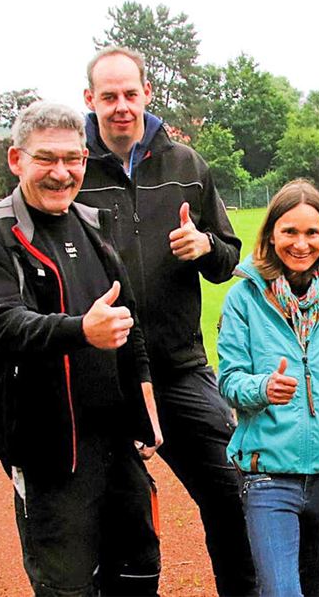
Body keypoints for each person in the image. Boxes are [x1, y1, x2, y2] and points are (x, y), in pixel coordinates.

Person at [76, 46, 254, 595]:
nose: (122, 106)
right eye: (109, 97)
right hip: (99, 376)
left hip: (180, 368)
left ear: (147, 93)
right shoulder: (73, 170)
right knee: (112, 516)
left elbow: (229, 258)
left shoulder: (186, 166)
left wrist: (203, 246)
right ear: (91, 100)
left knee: (232, 493)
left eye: (131, 94)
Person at [0, 102, 163, 594]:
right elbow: (6, 324)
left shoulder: (94, 224)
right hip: (46, 447)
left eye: (72, 159)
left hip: (114, 440)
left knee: (139, 570)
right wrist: (80, 331)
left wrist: (146, 405)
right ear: (17, 160)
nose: (62, 173)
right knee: (67, 585)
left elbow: (128, 321)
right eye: (46, 159)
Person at [217, 179, 319, 596]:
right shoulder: (243, 300)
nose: (301, 243)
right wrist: (263, 388)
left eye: (312, 232)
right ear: (271, 234)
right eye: (290, 231)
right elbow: (230, 380)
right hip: (269, 476)